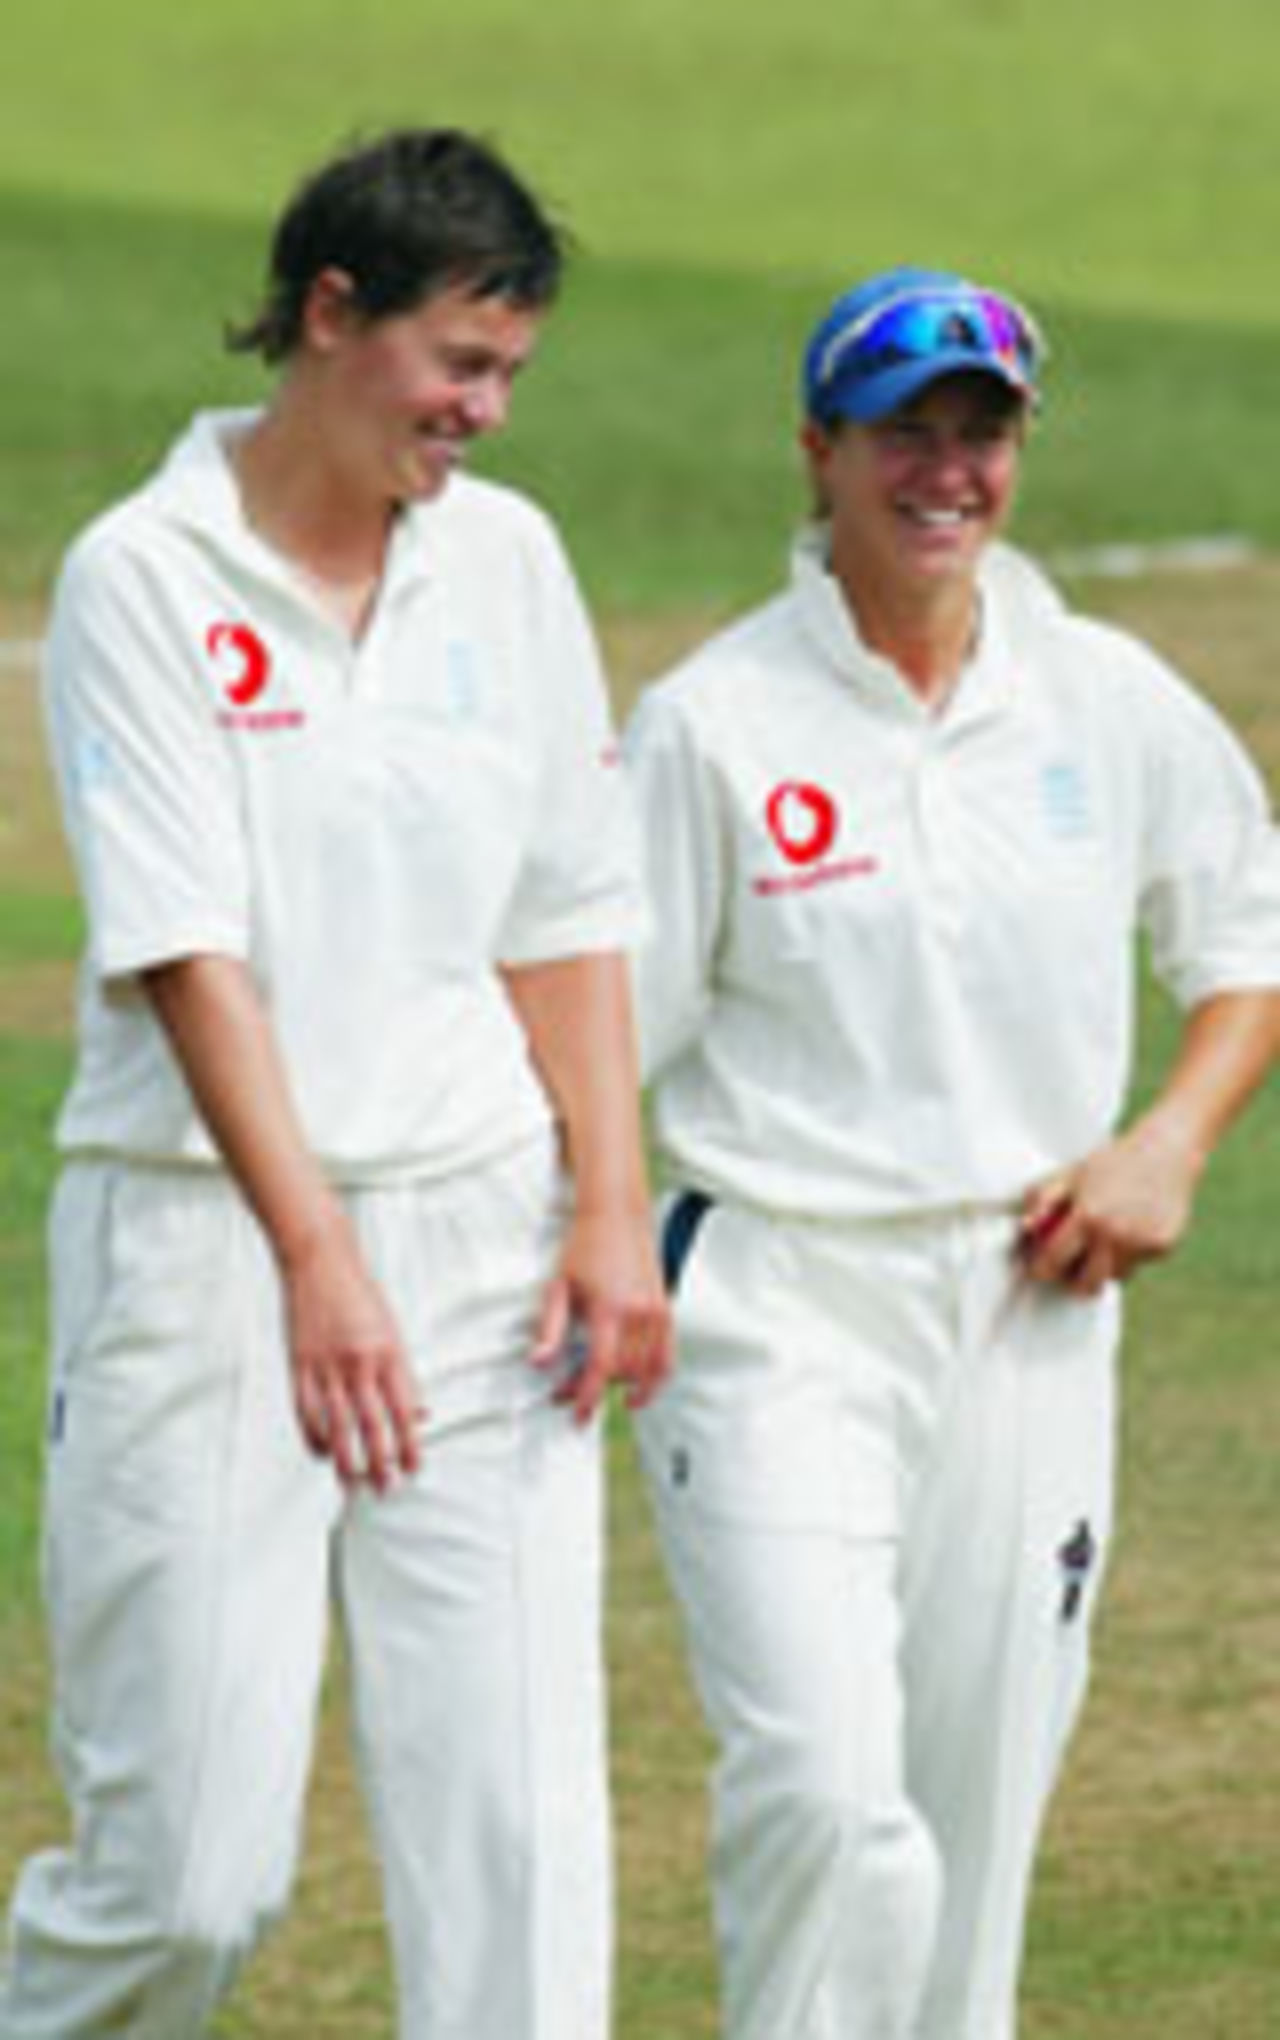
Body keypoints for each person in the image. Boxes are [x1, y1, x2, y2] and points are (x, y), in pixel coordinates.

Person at [0, 126, 670, 2040]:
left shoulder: (510, 563)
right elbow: (185, 952)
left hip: (483, 1239)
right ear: (328, 314)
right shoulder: (142, 574)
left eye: (512, 376)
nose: (485, 412)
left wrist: (611, 1211)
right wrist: (313, 1256)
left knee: (518, 1859)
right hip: (215, 1244)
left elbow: (569, 910)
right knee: (191, 1878)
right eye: (462, 363)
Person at [622, 266, 1280, 2039]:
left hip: (1031, 1305)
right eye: (904, 427)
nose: (946, 468)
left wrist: (1170, 1140)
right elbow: (599, 1039)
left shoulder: (1100, 696)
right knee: (836, 1804)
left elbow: (1251, 935)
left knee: (976, 1832)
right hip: (773, 1303)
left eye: (980, 431)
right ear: (817, 448)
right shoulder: (712, 724)